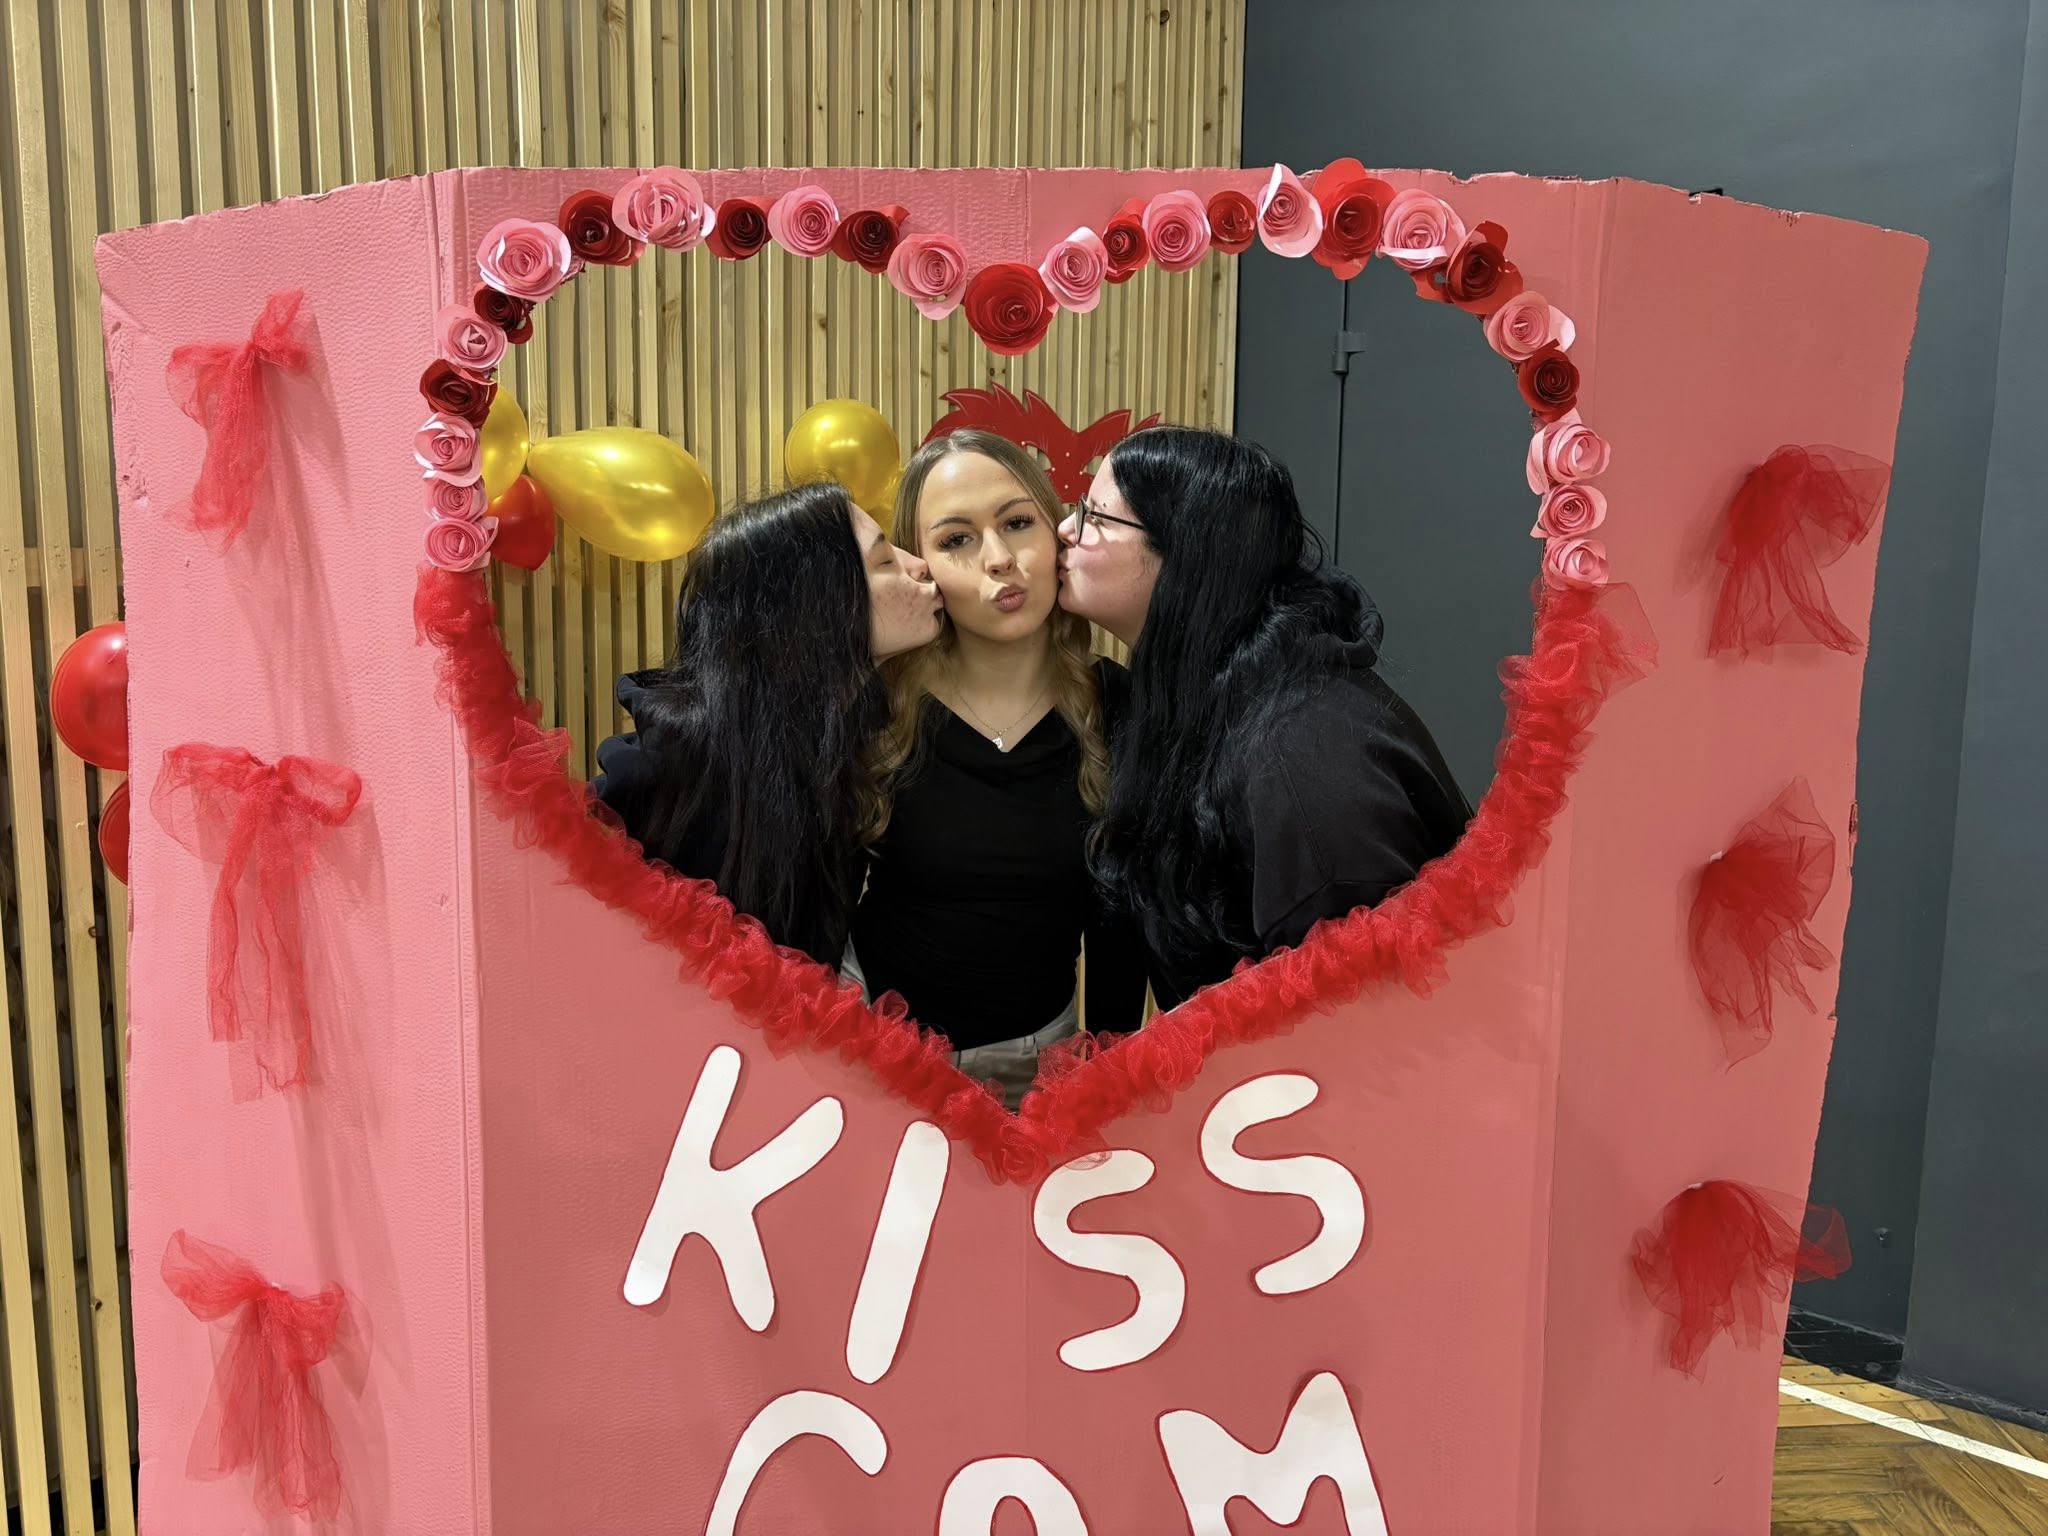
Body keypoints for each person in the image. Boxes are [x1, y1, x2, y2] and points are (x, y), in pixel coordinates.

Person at [1057, 426, 1472, 1012]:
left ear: (1187, 554)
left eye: (1094, 516)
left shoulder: (1303, 748)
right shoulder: (1201, 696)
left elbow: (1368, 1023)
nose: (1065, 529)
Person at [850, 429, 1147, 1102]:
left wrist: (1113, 1078)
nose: (999, 560)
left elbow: (1121, 921)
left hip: (1045, 1068)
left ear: (1057, 532)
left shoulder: (1119, 703)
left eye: (1016, 524)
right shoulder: (877, 707)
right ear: (922, 566)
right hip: (878, 1062)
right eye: (956, 539)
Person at [593, 482, 940, 966]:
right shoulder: (671, 765)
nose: (920, 565)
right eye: (885, 561)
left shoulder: (853, 734)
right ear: (817, 605)